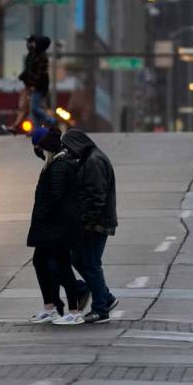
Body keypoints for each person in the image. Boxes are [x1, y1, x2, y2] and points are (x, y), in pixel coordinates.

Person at [26, 126, 88, 325]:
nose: (39, 153)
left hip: (58, 227)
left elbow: (56, 197)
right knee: (41, 262)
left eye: (41, 150)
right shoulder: (54, 164)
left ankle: (73, 311)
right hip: (52, 227)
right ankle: (50, 307)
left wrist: (42, 215)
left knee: (62, 266)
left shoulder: (59, 166)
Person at [62, 128, 119, 324]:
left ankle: (100, 309)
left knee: (91, 264)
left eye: (69, 148)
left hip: (96, 224)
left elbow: (96, 197)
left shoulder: (94, 162)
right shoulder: (90, 159)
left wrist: (86, 222)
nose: (69, 153)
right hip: (94, 222)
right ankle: (105, 296)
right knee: (78, 259)